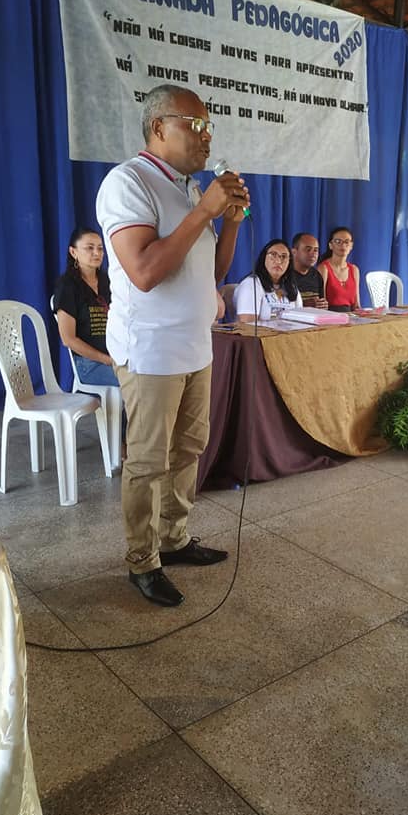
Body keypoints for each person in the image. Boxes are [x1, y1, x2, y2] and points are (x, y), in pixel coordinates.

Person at [95, 84, 249, 607]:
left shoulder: (188, 189)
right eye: (195, 125)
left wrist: (226, 221)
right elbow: (144, 273)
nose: (206, 138)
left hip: (195, 345)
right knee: (147, 460)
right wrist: (204, 212)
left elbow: (215, 273)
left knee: (189, 448)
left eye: (210, 127)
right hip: (151, 349)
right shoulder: (127, 182)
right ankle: (142, 559)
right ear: (160, 127)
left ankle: (175, 539)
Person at [53, 228, 118, 386]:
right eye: (89, 248)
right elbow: (68, 339)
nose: (97, 253)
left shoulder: (109, 282)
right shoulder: (67, 286)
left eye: (100, 248)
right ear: (73, 252)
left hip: (117, 357)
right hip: (89, 365)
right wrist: (107, 360)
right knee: (137, 383)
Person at [234, 238, 303, 321]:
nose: (278, 261)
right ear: (264, 258)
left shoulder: (292, 287)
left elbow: (300, 322)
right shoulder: (251, 284)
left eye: (284, 257)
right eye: (273, 255)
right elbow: (248, 326)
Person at [318, 227, 361, 311]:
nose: (343, 245)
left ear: (351, 245)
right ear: (330, 245)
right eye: (338, 242)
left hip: (351, 318)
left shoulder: (354, 269)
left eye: (346, 242)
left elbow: (356, 305)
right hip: (330, 317)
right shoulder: (323, 268)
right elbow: (322, 306)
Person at [290, 232, 327, 308]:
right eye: (308, 249)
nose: (313, 254)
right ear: (294, 252)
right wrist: (303, 304)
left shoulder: (317, 275)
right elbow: (279, 307)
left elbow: (322, 304)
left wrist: (323, 305)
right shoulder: (284, 275)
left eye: (316, 250)